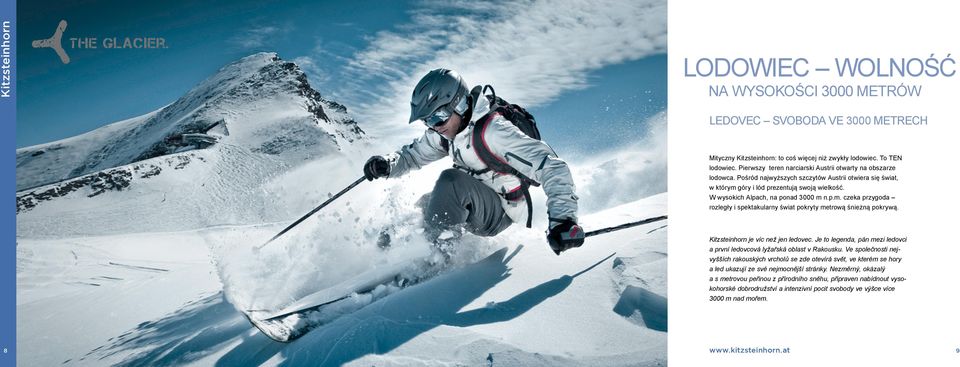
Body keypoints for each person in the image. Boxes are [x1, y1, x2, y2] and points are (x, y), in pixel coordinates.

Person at [363, 68, 584, 255]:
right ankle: (382, 258)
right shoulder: (445, 132)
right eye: (427, 121)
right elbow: (412, 155)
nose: (434, 126)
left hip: (501, 211)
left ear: (458, 104)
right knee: (423, 206)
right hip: (476, 201)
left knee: (450, 182)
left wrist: (563, 220)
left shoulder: (494, 131)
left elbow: (551, 166)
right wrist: (388, 164)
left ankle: (434, 261)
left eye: (437, 117)